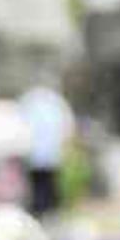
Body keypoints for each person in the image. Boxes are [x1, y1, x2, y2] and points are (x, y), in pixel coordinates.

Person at [18, 80, 75, 215]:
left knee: (42, 184)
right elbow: (67, 126)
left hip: (39, 152)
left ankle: (43, 210)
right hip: (46, 152)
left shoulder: (30, 100)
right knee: (45, 184)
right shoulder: (55, 101)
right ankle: (45, 210)